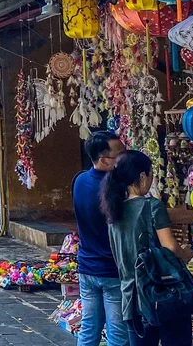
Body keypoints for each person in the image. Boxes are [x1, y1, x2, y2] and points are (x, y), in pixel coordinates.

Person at [102, 150, 193, 346]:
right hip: (162, 295)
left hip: (131, 297)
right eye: (151, 174)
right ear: (142, 176)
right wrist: (185, 254)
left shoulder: (113, 209)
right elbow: (170, 247)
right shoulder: (152, 206)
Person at [73, 131, 127, 346]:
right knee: (118, 333)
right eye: (120, 155)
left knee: (89, 328)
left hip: (87, 266)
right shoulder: (113, 189)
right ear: (105, 160)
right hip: (110, 270)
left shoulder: (80, 180)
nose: (125, 159)